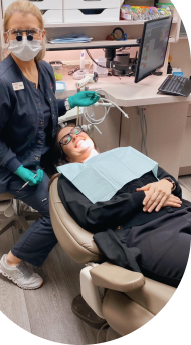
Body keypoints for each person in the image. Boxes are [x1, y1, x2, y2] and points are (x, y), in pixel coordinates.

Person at [0, 0, 100, 290]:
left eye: (31, 32)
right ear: (6, 37)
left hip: (39, 156)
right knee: (60, 212)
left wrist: (68, 102)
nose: (24, 40)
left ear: (42, 34)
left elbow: (39, 109)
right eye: (16, 33)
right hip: (10, 167)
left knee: (80, 190)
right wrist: (18, 168)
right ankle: (10, 263)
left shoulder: (42, 69)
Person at [52, 123, 191, 288]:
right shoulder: (68, 178)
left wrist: (168, 184)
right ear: (67, 157)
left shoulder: (125, 154)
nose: (74, 136)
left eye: (77, 131)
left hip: (181, 211)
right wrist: (142, 197)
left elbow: (169, 181)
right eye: (66, 139)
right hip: (147, 231)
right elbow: (91, 216)